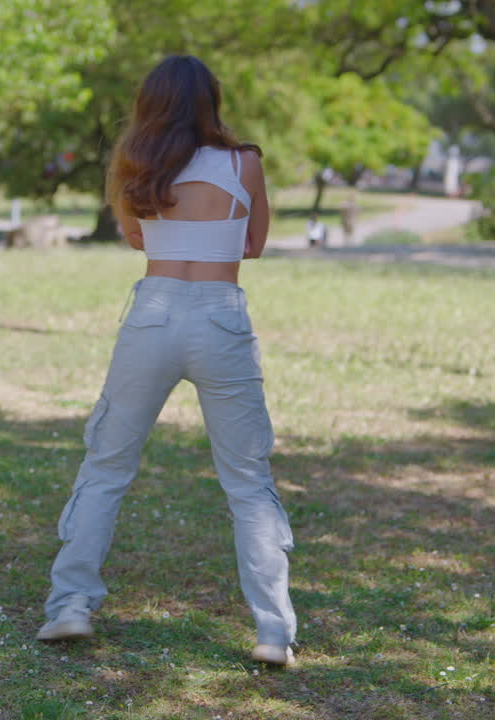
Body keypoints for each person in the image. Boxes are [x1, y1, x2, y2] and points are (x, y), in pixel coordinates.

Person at [36, 55, 297, 666]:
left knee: (106, 467)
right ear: (212, 100)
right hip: (220, 317)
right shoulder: (245, 162)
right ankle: (274, 634)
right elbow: (253, 244)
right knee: (248, 481)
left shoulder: (136, 163)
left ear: (149, 102)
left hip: (152, 314)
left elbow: (135, 237)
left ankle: (71, 606)